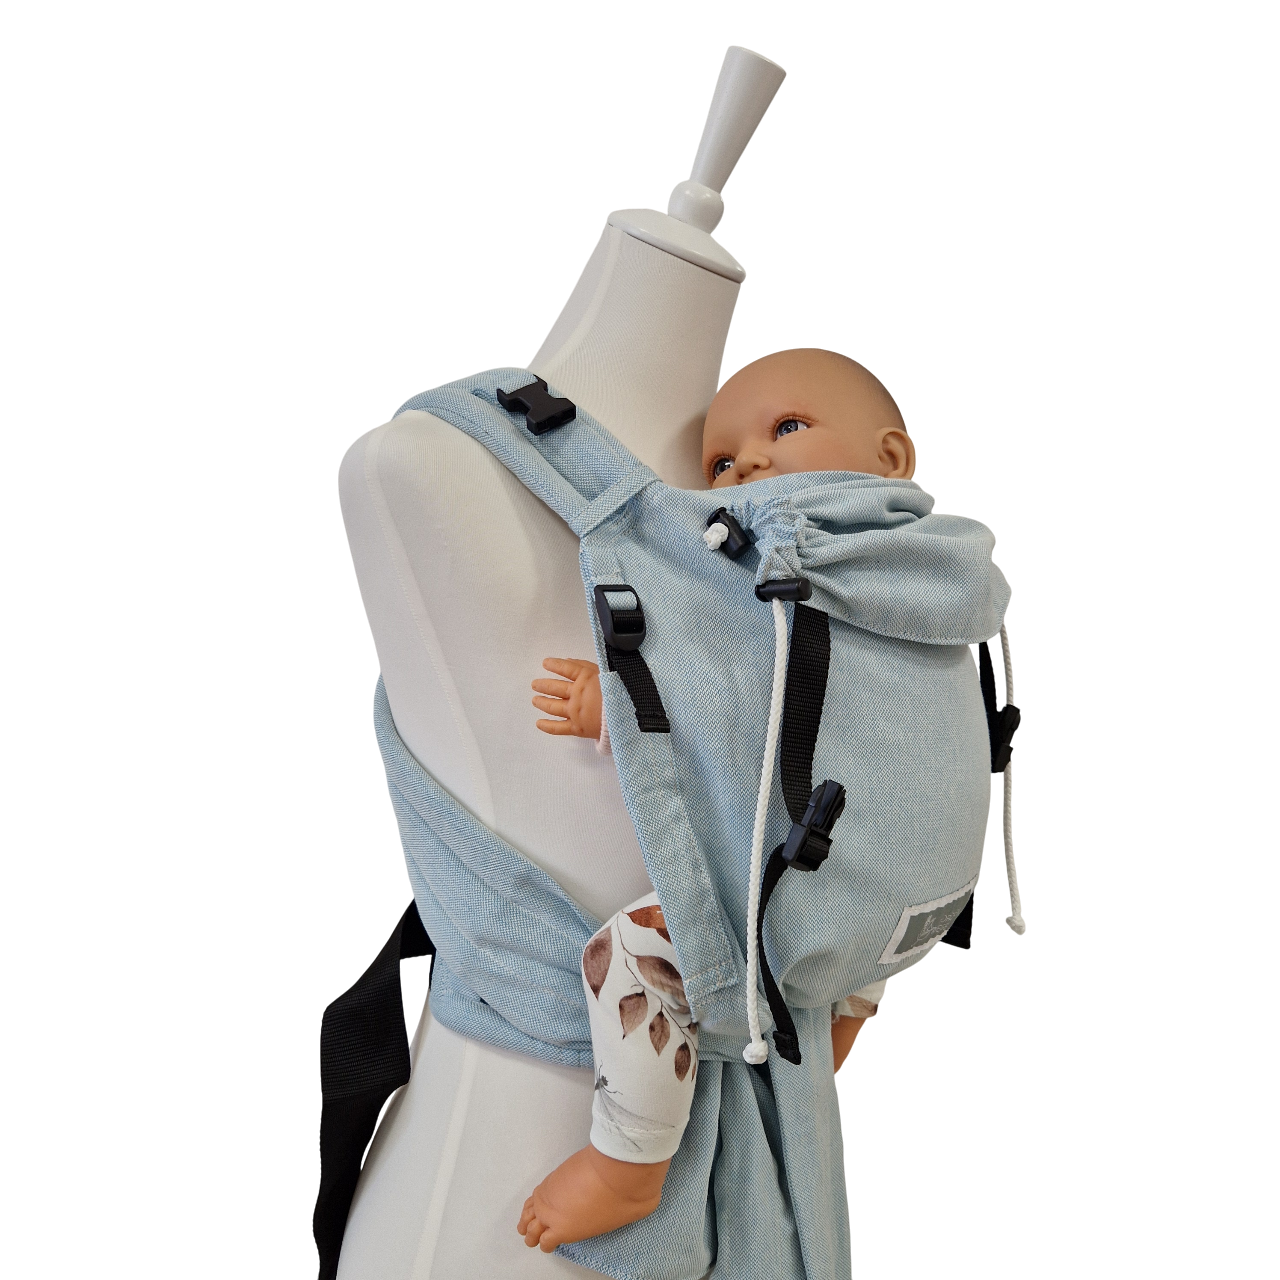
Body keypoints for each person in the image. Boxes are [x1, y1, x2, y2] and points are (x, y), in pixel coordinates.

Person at [518, 349, 919, 1252]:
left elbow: (741, 703)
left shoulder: (802, 579)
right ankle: (829, 1030)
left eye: (787, 427)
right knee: (860, 916)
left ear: (891, 458)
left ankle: (627, 1166)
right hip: (899, 894)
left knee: (631, 952)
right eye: (721, 462)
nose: (749, 464)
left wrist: (619, 705)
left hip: (827, 889)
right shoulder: (939, 581)